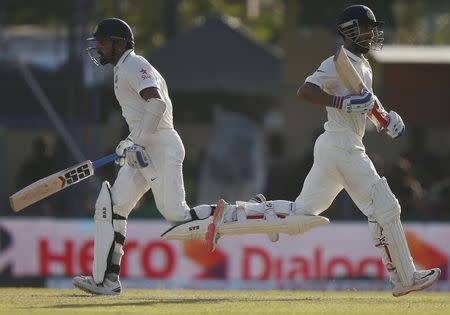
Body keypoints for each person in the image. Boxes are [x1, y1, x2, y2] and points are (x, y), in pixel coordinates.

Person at [294, 5, 440, 296]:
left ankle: (234, 217)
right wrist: (341, 104)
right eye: (367, 27)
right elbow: (305, 91)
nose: (372, 33)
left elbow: (365, 103)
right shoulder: (336, 62)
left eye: (373, 28)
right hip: (342, 145)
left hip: (338, 145)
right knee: (386, 207)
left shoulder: (363, 64)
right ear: (350, 30)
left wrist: (386, 121)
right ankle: (404, 277)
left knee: (300, 214)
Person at [72, 18, 217, 295]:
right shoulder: (121, 69)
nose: (99, 48)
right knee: (112, 208)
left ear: (120, 43)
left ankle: (234, 213)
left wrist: (131, 140)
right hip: (141, 149)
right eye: (98, 43)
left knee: (176, 215)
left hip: (159, 145)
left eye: (103, 42)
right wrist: (132, 143)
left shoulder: (134, 65)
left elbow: (156, 103)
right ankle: (106, 281)